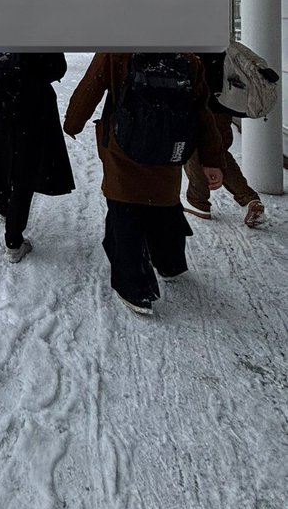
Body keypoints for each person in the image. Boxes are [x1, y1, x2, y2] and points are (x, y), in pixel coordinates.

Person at [64, 53, 224, 316]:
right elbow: (201, 110)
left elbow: (90, 87)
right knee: (164, 204)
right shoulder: (186, 56)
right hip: (167, 151)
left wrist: (73, 123)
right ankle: (170, 262)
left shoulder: (116, 51)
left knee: (124, 210)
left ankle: (135, 288)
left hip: (123, 146)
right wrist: (211, 158)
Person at [0, 0, 75, 263]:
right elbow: (56, 68)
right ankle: (13, 240)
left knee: (1, 158)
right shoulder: (41, 23)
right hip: (31, 109)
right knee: (25, 171)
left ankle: (4, 208)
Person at [184, 51, 265, 228]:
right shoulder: (219, 42)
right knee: (218, 151)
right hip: (223, 103)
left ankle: (198, 201)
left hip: (197, 102)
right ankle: (249, 199)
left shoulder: (189, 44)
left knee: (190, 147)